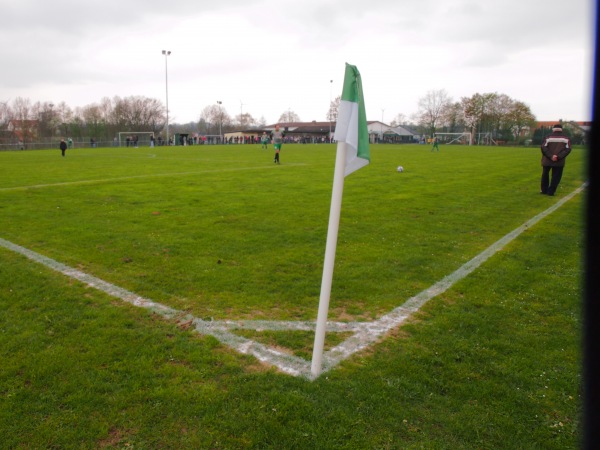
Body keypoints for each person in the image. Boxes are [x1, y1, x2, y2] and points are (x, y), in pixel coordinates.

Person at [540, 123, 572, 196]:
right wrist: (558, 157)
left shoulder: (547, 137)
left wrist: (551, 156)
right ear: (561, 129)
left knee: (545, 175)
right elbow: (568, 149)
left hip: (547, 160)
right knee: (556, 176)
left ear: (553, 129)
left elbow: (543, 147)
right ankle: (551, 191)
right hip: (559, 161)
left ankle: (544, 190)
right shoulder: (566, 138)